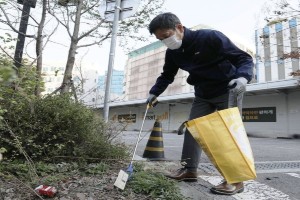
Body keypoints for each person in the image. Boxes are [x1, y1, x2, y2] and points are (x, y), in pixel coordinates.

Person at [146, 12, 254, 195]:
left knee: (229, 133)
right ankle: (189, 170)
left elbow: (243, 58)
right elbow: (167, 75)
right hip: (203, 93)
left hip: (228, 88)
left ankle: (236, 180)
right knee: (193, 129)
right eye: (160, 39)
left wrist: (243, 77)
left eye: (166, 36)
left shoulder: (210, 37)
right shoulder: (173, 52)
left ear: (179, 28)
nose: (165, 41)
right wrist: (154, 92)